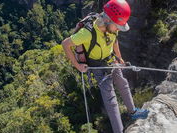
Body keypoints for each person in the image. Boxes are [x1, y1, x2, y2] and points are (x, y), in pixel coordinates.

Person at [62, 0, 149, 132]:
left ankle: (133, 112)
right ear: (108, 20)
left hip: (111, 61)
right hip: (98, 68)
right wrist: (78, 66)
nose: (118, 29)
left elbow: (115, 41)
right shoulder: (87, 33)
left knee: (123, 83)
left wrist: (119, 58)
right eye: (117, 26)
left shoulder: (112, 27)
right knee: (111, 100)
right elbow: (65, 44)